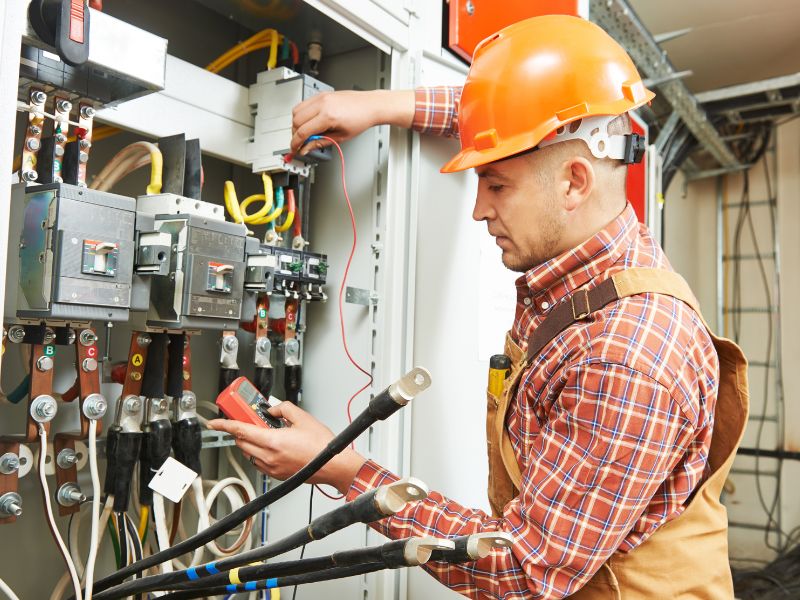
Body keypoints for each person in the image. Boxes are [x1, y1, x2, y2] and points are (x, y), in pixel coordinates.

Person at [209, 15, 748, 599]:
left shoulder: (625, 353)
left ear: (573, 182)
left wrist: (345, 470)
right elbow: (507, 117)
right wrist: (381, 104)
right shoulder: (594, 257)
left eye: (495, 185)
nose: (479, 210)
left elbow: (522, 567)